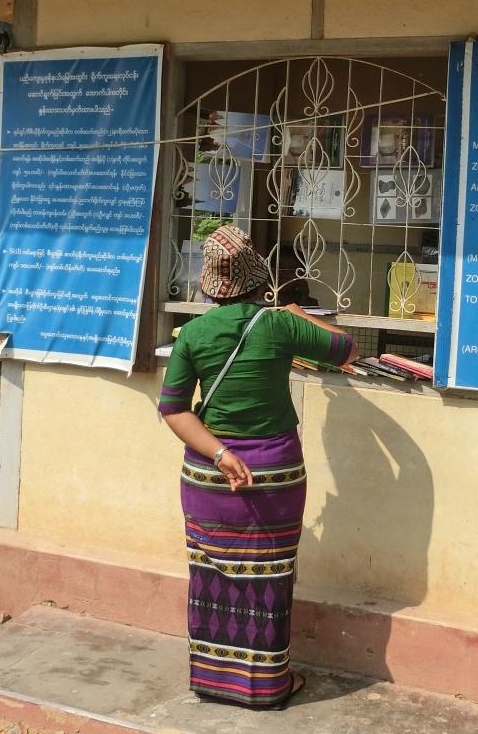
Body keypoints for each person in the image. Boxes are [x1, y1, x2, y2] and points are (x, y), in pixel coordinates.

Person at [158, 225, 358, 709]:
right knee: (269, 577)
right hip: (274, 477)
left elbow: (173, 408)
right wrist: (297, 313)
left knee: (210, 575)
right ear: (258, 278)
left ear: (208, 283)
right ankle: (266, 686)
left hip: (209, 477)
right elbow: (347, 349)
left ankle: (212, 680)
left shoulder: (193, 334)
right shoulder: (279, 325)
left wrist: (221, 455)